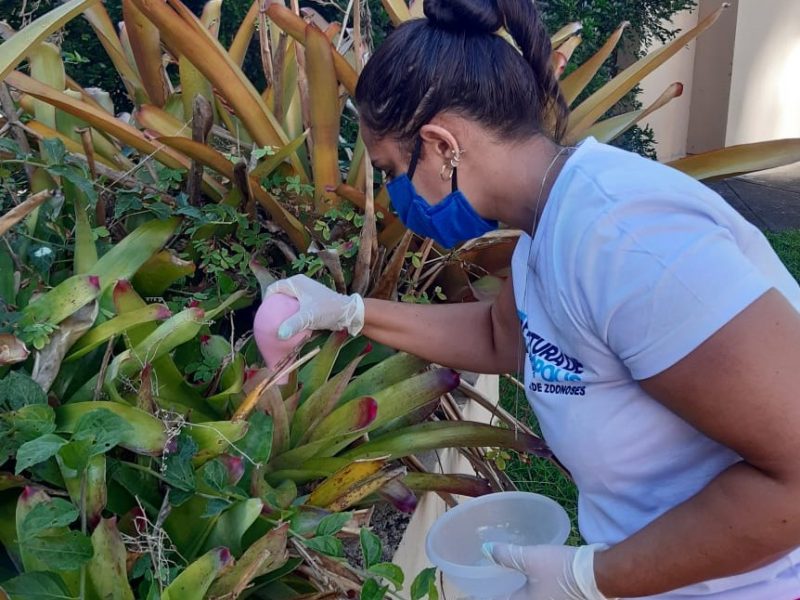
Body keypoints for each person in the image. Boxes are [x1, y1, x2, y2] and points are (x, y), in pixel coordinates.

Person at [262, 0, 800, 597]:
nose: (393, 199)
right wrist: (349, 311)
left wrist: (588, 577)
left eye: (392, 169)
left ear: (441, 145)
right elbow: (502, 337)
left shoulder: (630, 245)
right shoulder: (546, 226)